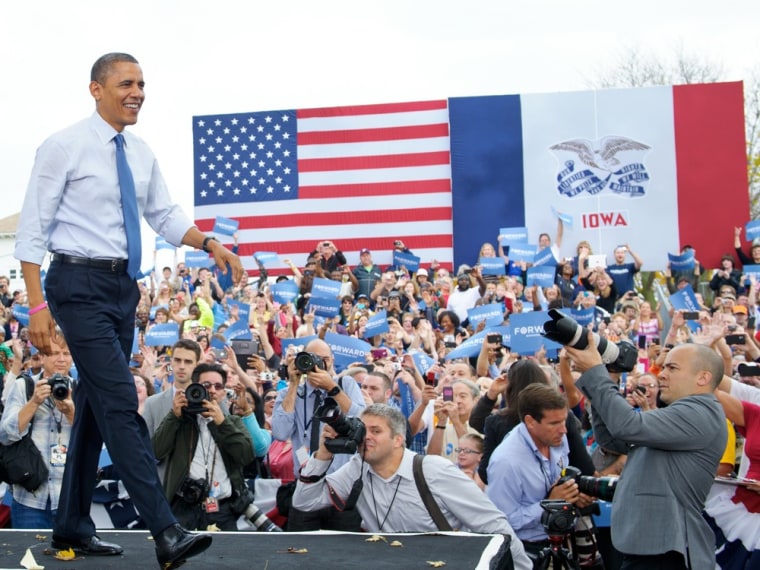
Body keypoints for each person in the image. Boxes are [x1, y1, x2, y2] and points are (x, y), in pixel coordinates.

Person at [14, 53, 244, 566]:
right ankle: (165, 531)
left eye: (142, 83)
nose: (137, 91)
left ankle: (71, 527)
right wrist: (35, 305)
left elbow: (163, 213)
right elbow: (31, 230)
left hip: (123, 291)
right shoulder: (63, 146)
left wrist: (209, 244)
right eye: (126, 83)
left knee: (96, 411)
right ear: (96, 90)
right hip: (75, 283)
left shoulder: (139, 153)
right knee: (120, 400)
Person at [292, 404, 532, 569]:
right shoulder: (358, 467)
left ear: (399, 440)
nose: (366, 437)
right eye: (363, 430)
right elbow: (304, 502)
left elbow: (493, 524)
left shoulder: (433, 470)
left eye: (376, 431)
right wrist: (323, 453)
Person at [566, 335, 726, 570]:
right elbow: (613, 438)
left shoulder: (700, 413)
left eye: (672, 368)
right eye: (664, 367)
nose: (662, 374)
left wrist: (595, 371)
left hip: (665, 549)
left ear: (703, 377)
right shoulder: (680, 414)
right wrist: (609, 374)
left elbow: (627, 426)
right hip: (651, 545)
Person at [486, 384, 593, 559]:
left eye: (564, 421)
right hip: (526, 552)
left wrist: (572, 495)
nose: (564, 430)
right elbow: (502, 522)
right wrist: (549, 504)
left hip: (562, 542)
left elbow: (559, 481)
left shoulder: (557, 437)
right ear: (530, 421)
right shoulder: (506, 462)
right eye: (554, 423)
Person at [270, 338, 366, 530]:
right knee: (300, 550)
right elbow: (280, 433)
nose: (317, 365)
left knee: (344, 554)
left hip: (341, 489)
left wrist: (332, 388)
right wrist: (293, 384)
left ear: (332, 360)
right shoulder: (291, 392)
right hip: (306, 485)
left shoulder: (345, 384)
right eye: (312, 359)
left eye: (324, 360)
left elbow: (362, 422)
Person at [152, 363, 255, 531]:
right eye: (206, 385)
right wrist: (174, 416)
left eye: (218, 386)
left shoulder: (233, 422)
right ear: (194, 388)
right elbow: (157, 450)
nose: (212, 390)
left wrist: (222, 423)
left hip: (223, 510)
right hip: (183, 508)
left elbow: (246, 455)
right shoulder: (181, 421)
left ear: (223, 392)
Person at [0, 332, 74, 528]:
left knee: (72, 557)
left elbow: (96, 439)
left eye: (66, 353)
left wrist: (72, 413)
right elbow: (5, 436)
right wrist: (34, 402)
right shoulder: (23, 386)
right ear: (41, 356)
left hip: (70, 498)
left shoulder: (82, 389)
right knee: (28, 555)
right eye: (54, 353)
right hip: (30, 497)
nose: (61, 359)